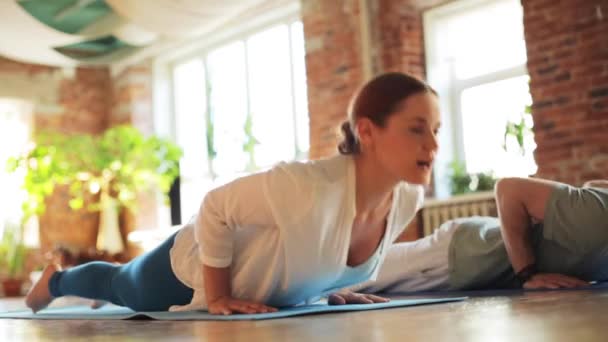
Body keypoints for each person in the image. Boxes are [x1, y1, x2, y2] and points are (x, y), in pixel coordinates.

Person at [25, 72, 442, 315]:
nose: (433, 145)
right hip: (189, 272)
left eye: (436, 130)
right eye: (416, 129)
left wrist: (324, 287)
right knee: (120, 285)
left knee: (117, 287)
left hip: (256, 287)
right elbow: (215, 207)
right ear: (368, 131)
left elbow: (305, 247)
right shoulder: (305, 185)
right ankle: (57, 281)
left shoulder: (405, 198)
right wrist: (220, 294)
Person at [342, 177, 608, 297]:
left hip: (477, 268)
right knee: (347, 278)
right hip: (465, 253)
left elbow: (593, 186)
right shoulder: (599, 216)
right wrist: (528, 273)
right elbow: (509, 188)